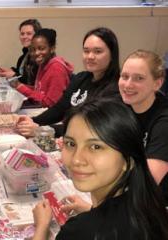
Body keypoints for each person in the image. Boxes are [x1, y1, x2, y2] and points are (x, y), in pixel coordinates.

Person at [32, 98, 168, 240]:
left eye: (96, 147)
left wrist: (41, 227)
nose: (76, 159)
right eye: (70, 143)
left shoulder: (80, 231)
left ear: (128, 160)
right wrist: (93, 210)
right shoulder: (148, 204)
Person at [16, 27, 120, 137]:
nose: (90, 56)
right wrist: (33, 121)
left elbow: (89, 127)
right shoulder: (81, 78)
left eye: (98, 51)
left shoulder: (114, 89)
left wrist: (43, 130)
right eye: (86, 51)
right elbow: (60, 108)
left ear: (112, 54)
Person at [119, 49, 168, 203]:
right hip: (126, 186)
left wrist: (93, 208)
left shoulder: (164, 122)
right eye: (124, 76)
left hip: (156, 201)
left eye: (139, 78)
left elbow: (146, 185)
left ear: (157, 83)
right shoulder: (124, 105)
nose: (127, 85)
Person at [9, 28, 73, 108]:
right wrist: (19, 85)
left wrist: (21, 87)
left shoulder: (57, 68)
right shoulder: (43, 64)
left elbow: (51, 104)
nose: (36, 53)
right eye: (33, 49)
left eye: (41, 49)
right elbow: (39, 90)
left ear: (52, 48)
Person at [0, 19, 42, 86]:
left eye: (29, 33)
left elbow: (32, 82)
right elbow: (21, 73)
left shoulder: (40, 57)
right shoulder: (24, 56)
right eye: (22, 34)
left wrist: (14, 75)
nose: (24, 37)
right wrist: (10, 71)